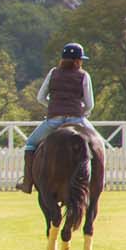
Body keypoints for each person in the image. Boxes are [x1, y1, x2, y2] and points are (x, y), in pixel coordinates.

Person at [17, 43, 95, 192]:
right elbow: (90, 104)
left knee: (30, 144)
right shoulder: (84, 75)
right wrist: (82, 112)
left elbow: (40, 97)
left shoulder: (53, 72)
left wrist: (52, 106)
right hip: (77, 120)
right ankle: (98, 181)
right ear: (78, 60)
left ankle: (27, 183)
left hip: (54, 120)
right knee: (98, 144)